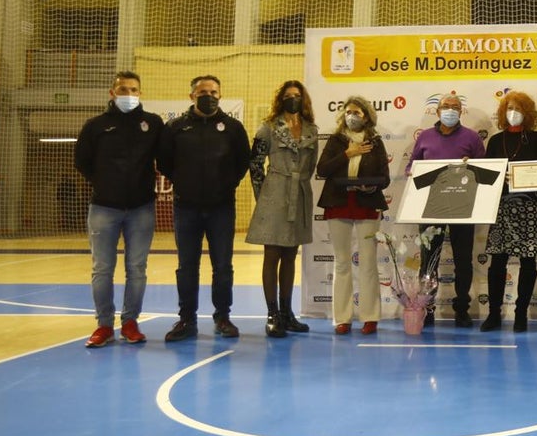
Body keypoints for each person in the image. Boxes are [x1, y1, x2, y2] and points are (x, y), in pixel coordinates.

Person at [158, 75, 251, 342]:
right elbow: (165, 161)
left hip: (222, 207)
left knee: (223, 266)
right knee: (187, 266)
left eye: (213, 91)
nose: (208, 95)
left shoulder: (233, 127)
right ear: (191, 96)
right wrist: (185, 182)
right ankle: (186, 319)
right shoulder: (175, 127)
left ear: (220, 95)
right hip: (185, 207)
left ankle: (223, 317)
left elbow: (242, 161)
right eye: (202, 92)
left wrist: (225, 184)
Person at [74, 71, 164, 347]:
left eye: (134, 89)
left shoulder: (153, 123)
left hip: (141, 208)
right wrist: (105, 183)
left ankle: (130, 322)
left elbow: (165, 157)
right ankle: (103, 325)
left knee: (137, 268)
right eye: (123, 89)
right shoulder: (95, 126)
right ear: (112, 93)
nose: (129, 94)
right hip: (104, 208)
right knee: (102, 268)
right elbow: (82, 162)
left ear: (141, 93)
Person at [405, 92, 486, 327]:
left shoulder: (472, 138)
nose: (450, 110)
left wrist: (470, 168)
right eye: (446, 106)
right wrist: (412, 172)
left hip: (463, 208)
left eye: (455, 107)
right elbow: (411, 165)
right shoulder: (425, 137)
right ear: (437, 111)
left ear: (461, 112)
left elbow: (484, 171)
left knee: (463, 261)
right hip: (431, 209)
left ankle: (462, 309)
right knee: (429, 261)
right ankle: (427, 308)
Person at [246, 80, 319, 338]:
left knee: (291, 255)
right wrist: (263, 196)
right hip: (274, 193)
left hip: (299, 194)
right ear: (280, 99)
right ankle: (272, 314)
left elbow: (311, 166)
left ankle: (288, 313)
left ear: (303, 99)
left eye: (297, 95)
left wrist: (300, 186)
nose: (293, 99)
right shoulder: (268, 128)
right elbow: (255, 164)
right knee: (272, 254)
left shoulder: (311, 129)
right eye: (288, 96)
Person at [317, 96, 390, 335]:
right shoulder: (336, 141)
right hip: (338, 204)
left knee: (368, 263)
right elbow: (323, 169)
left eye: (357, 112)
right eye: (348, 112)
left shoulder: (376, 142)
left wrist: (370, 187)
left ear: (366, 116)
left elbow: (385, 178)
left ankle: (370, 317)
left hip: (367, 205)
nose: (352, 116)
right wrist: (348, 153)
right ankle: (342, 318)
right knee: (341, 263)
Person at [482, 91, 537, 332]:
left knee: (528, 263)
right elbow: (486, 175)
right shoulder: (496, 141)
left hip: (528, 208)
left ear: (527, 113)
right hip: (501, 208)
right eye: (509, 108)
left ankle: (521, 314)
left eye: (519, 109)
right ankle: (494, 314)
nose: (513, 113)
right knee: (497, 263)